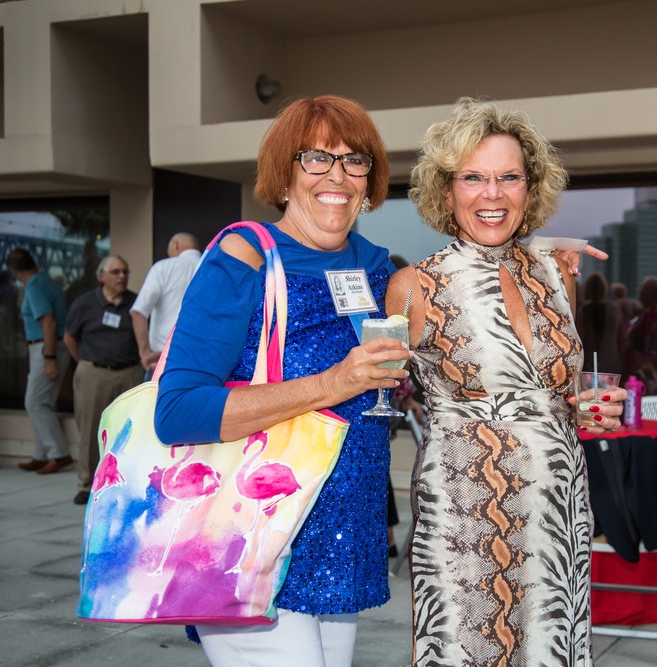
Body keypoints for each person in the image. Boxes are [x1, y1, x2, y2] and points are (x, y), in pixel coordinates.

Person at [153, 95, 408, 667]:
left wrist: (541, 270)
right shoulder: (243, 256)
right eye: (316, 157)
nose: (337, 175)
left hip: (339, 544)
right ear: (285, 174)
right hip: (253, 541)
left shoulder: (375, 268)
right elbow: (178, 410)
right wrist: (332, 384)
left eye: (354, 160)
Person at [386, 97, 627, 666]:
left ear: (530, 186)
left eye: (508, 177)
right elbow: (377, 389)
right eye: (473, 177)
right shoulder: (414, 287)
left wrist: (588, 407)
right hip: (467, 510)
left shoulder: (558, 273)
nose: (491, 194)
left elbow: (559, 391)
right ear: (446, 189)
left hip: (556, 507)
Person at [64, 255, 143, 505]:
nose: (122, 276)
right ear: (101, 277)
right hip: (94, 373)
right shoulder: (84, 304)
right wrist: (86, 363)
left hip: (129, 372)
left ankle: (127, 482)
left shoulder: (136, 302)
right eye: (115, 272)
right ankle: (87, 485)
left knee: (130, 429)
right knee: (90, 430)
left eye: (125, 271)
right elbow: (69, 338)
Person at [6, 248, 74, 475]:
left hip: (46, 347)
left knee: (35, 403)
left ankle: (58, 454)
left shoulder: (34, 285)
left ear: (13, 271)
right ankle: (41, 454)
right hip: (52, 346)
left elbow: (49, 322)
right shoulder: (47, 281)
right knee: (44, 402)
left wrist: (49, 358)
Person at [130, 232, 202, 380]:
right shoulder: (213, 268)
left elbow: (138, 312)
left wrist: (145, 353)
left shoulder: (163, 267)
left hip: (163, 361)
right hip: (203, 362)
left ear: (176, 245)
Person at [624, 275, 657, 394]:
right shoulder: (646, 313)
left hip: (647, 376)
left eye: (645, 289)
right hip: (638, 371)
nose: (640, 292)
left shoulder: (655, 316)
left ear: (654, 294)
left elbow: (652, 347)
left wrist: (645, 366)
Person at [577, 272, 626, 373]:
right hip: (611, 360)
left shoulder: (584, 310)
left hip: (589, 360)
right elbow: (621, 338)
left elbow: (580, 338)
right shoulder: (615, 310)